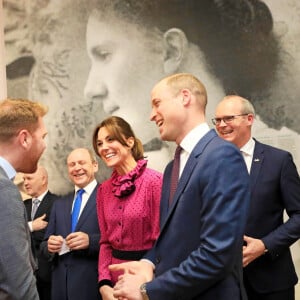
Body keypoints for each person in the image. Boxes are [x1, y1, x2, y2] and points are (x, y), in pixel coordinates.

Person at [109, 73, 250, 300]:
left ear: (185, 97)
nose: (151, 115)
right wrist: (148, 263)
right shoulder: (171, 168)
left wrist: (147, 291)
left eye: (157, 104)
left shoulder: (222, 156)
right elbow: (171, 238)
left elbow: (217, 255)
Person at [213, 95, 300, 300]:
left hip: (271, 281)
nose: (222, 125)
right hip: (222, 283)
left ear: (249, 119)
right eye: (217, 120)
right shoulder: (209, 163)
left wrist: (265, 245)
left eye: (228, 118)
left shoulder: (278, 161)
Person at [92, 116, 162, 299]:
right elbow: (106, 242)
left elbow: (162, 241)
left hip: (147, 280)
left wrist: (145, 281)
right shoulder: (103, 190)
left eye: (110, 139)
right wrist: (104, 284)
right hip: (114, 284)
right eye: (99, 143)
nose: (103, 148)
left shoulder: (154, 183)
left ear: (129, 142)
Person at [0, 98, 48, 299]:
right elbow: (19, 286)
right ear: (25, 139)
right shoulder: (4, 190)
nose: (45, 145)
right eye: (43, 136)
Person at [40, 148, 101, 300]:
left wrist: (91, 241)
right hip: (60, 289)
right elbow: (43, 245)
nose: (77, 168)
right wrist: (49, 245)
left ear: (95, 166)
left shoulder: (108, 196)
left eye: (81, 163)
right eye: (72, 164)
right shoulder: (59, 204)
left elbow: (119, 240)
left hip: (92, 287)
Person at [23, 165, 60, 300]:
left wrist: (25, 231)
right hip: (25, 277)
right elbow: (12, 234)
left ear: (43, 179)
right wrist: (32, 226)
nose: (25, 183)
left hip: (48, 277)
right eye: (24, 179)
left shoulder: (58, 203)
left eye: (29, 178)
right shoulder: (22, 205)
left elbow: (52, 236)